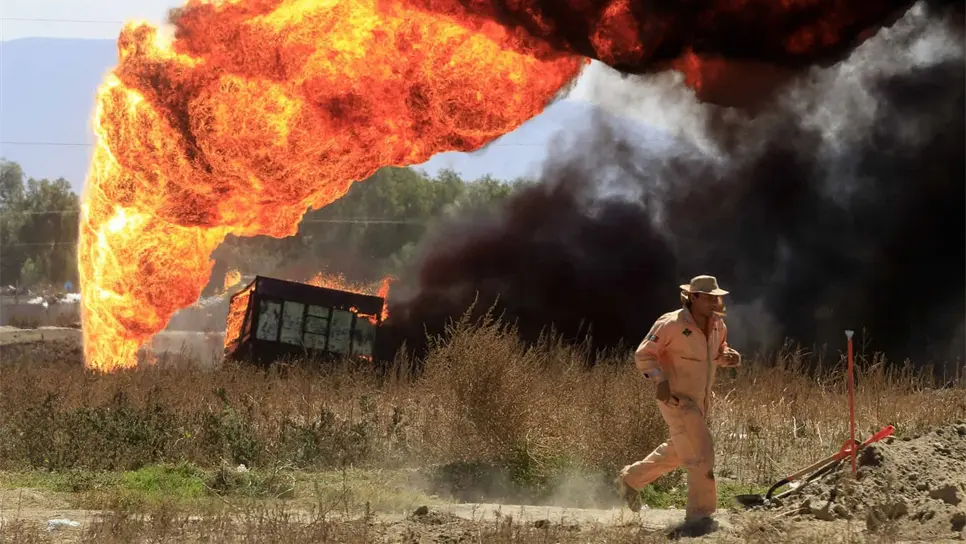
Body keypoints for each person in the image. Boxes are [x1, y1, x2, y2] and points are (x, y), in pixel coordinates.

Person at [617, 275, 741, 534]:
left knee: (680, 449)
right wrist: (659, 380)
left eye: (717, 297)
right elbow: (644, 354)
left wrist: (728, 357)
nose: (715, 302)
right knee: (701, 452)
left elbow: (717, 353)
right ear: (693, 297)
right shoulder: (670, 323)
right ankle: (701, 517)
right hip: (676, 399)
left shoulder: (718, 325)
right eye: (709, 297)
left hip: (700, 400)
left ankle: (632, 479)